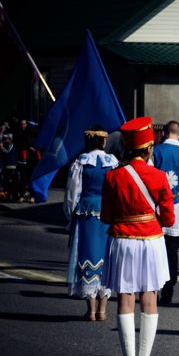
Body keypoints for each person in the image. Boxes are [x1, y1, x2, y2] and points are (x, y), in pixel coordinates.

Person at [100, 117, 175, 356]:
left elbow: (106, 216)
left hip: (122, 240)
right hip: (151, 240)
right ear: (149, 149)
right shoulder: (158, 176)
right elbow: (169, 219)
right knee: (150, 298)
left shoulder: (113, 176)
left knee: (125, 299)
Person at [64, 126, 118, 320]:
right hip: (107, 213)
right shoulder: (112, 162)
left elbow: (73, 192)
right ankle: (103, 310)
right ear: (104, 141)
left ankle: (91, 309)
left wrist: (70, 215)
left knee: (87, 254)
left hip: (86, 212)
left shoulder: (81, 161)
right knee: (106, 256)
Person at [152, 121, 179, 305]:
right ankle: (169, 287)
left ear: (164, 132)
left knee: (154, 248)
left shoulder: (155, 151)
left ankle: (153, 286)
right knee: (171, 249)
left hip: (156, 207)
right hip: (176, 206)